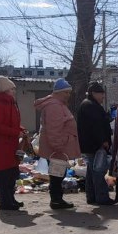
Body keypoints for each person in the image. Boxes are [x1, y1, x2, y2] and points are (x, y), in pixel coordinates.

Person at [34, 79, 81, 210]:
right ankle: (56, 200)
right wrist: (59, 147)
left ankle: (57, 199)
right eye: (66, 92)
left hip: (58, 148)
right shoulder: (54, 106)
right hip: (57, 148)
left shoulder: (57, 104)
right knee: (57, 175)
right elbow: (54, 129)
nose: (68, 95)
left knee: (58, 174)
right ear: (59, 92)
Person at [0, 76, 28, 211]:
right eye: (12, 89)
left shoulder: (10, 103)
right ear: (5, 90)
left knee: (12, 173)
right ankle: (5, 202)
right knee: (4, 175)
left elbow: (12, 124)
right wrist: (15, 132)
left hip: (10, 144)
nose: (14, 91)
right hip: (2, 145)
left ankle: (11, 199)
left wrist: (21, 129)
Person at [77, 81, 115, 206]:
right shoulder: (91, 106)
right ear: (94, 93)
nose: (103, 96)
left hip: (89, 145)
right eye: (101, 94)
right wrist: (103, 141)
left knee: (91, 171)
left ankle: (91, 196)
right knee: (99, 171)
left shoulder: (87, 104)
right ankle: (102, 197)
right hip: (95, 145)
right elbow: (96, 126)